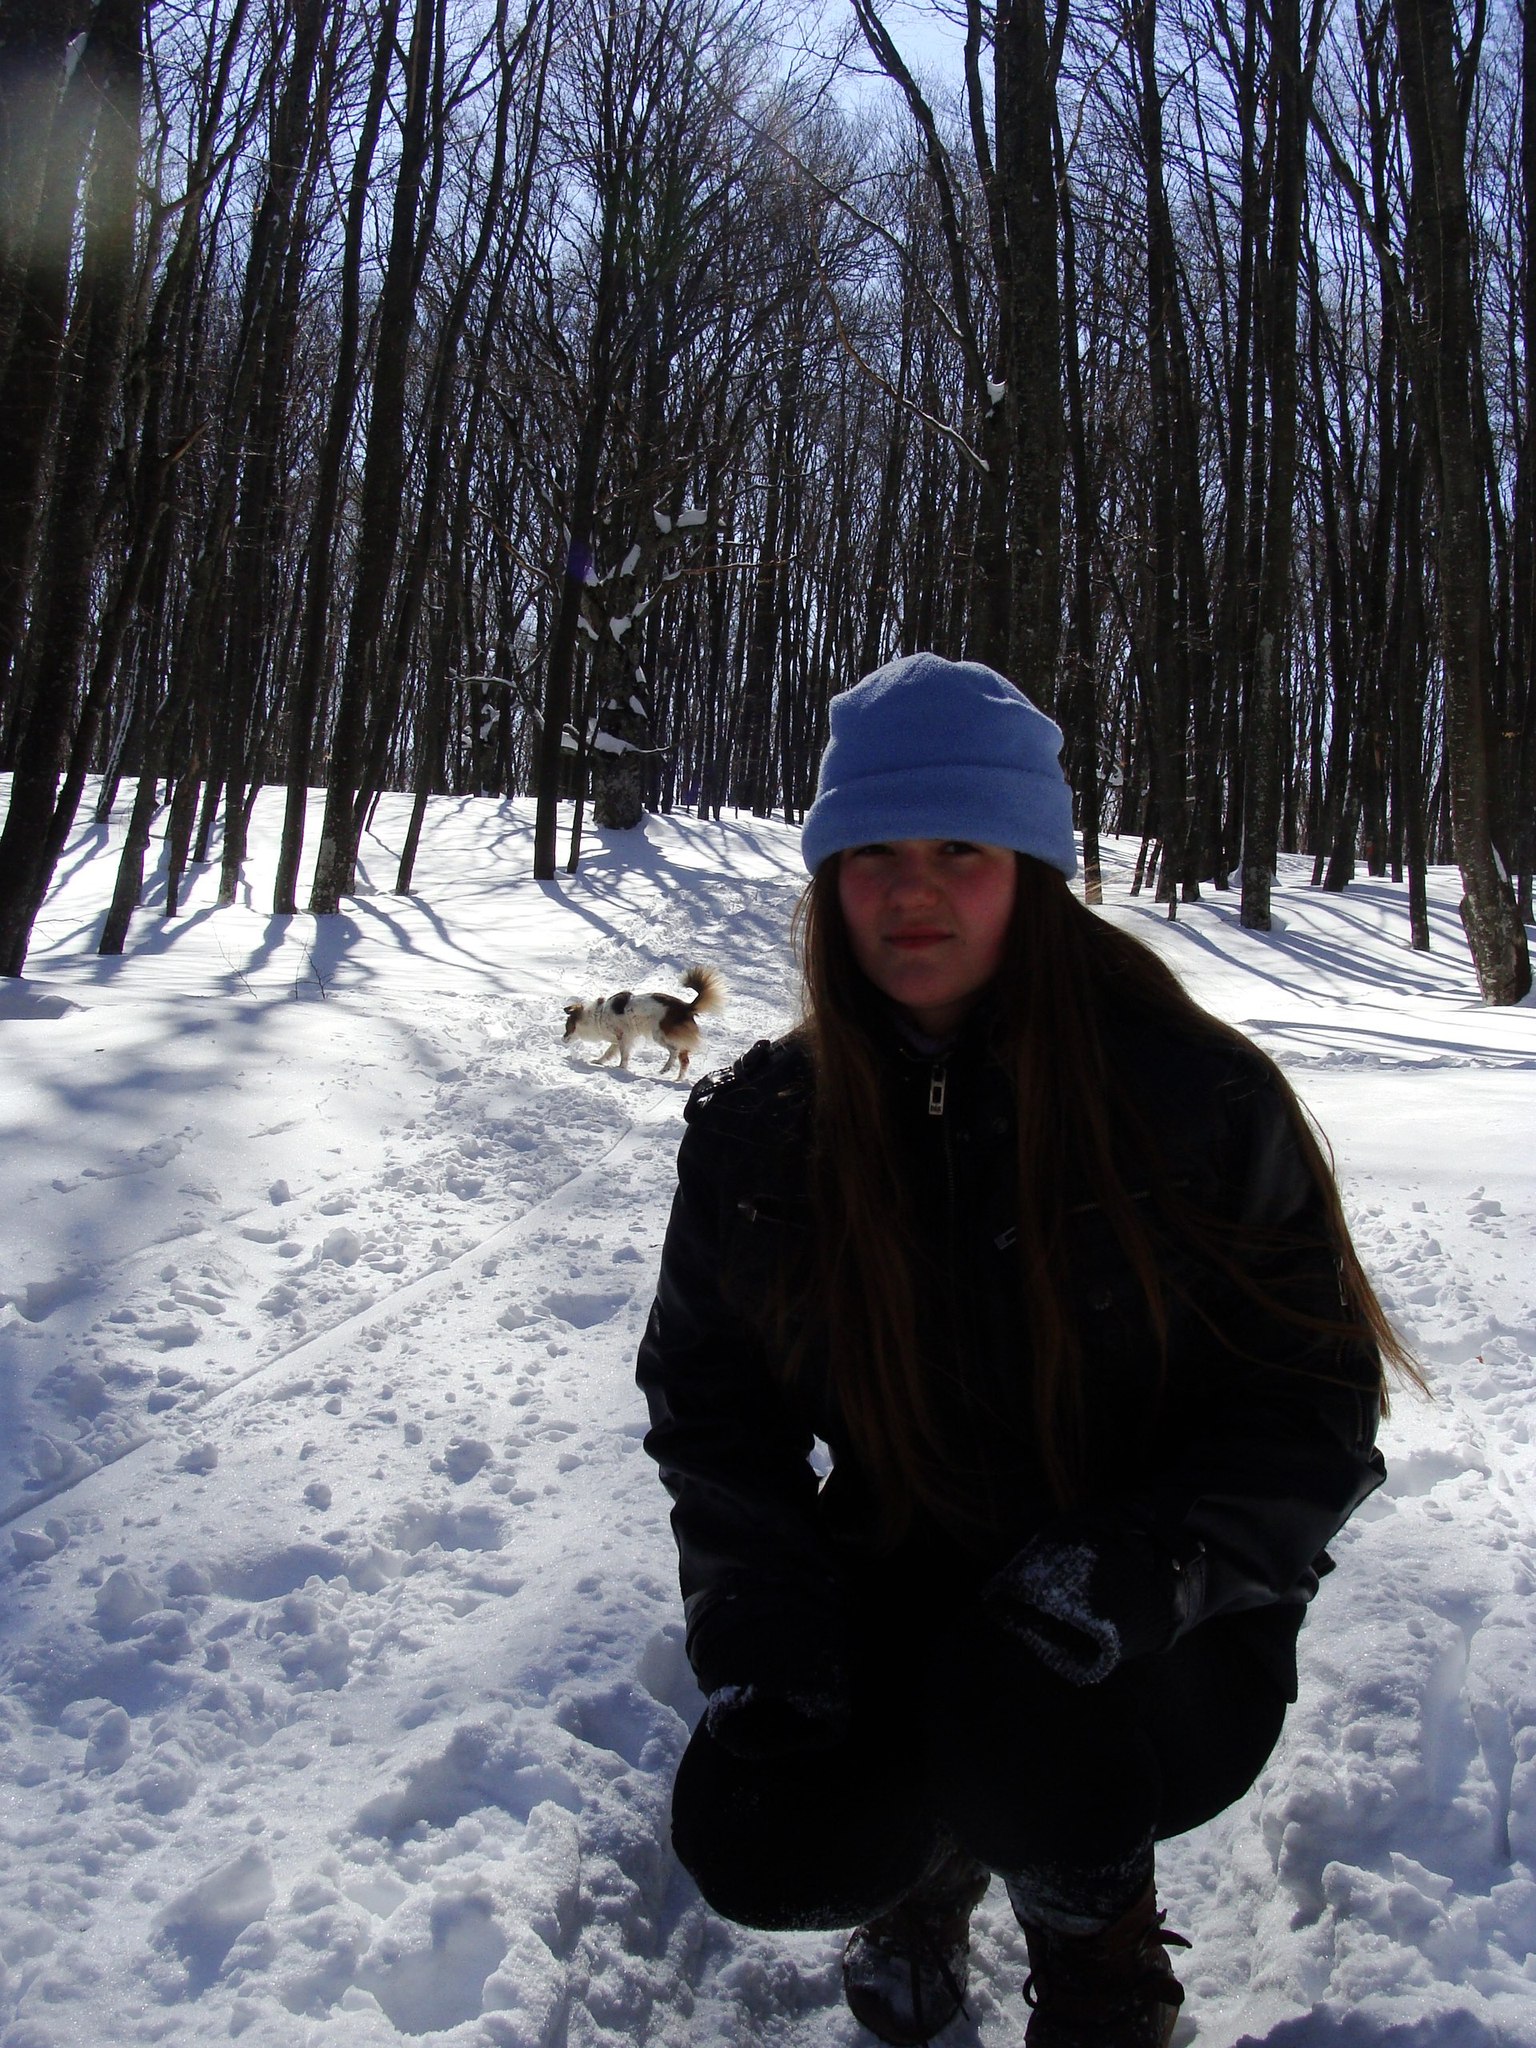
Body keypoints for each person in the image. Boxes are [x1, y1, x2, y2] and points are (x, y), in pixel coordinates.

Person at [635, 655, 1413, 2047]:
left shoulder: (1195, 1101)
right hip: (900, 1571)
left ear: (1034, 874)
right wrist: (763, 1621)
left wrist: (1143, 1573)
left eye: (961, 851)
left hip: (1158, 1620)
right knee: (762, 1828)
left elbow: (1311, 1405)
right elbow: (710, 1406)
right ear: (828, 881)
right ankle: (926, 1870)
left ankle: (1091, 1922)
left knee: (1029, 1731)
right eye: (873, 853)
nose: (912, 892)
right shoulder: (767, 1128)